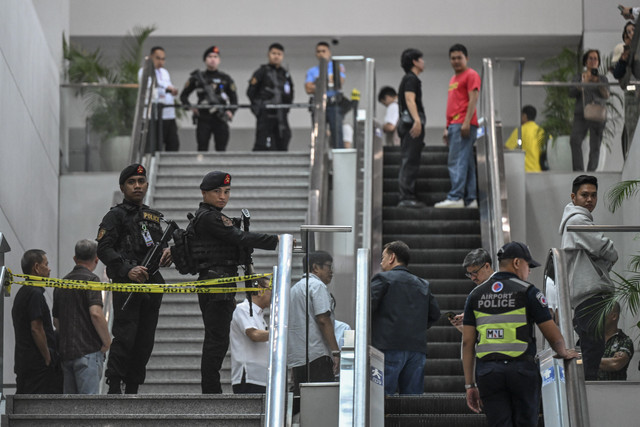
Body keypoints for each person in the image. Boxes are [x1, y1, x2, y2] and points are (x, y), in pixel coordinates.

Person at [462, 242, 578, 426]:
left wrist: (470, 386)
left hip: (488, 373)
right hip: (521, 371)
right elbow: (553, 335)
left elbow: (467, 343)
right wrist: (563, 351)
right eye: (528, 265)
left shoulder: (475, 295)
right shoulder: (529, 291)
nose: (529, 271)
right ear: (517, 262)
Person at [191, 171, 279, 394]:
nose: (223, 196)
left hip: (222, 282)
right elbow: (238, 238)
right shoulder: (209, 218)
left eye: (227, 192)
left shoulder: (214, 216)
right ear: (204, 193)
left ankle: (211, 390)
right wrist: (276, 240)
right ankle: (210, 392)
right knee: (216, 340)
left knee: (219, 339)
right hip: (215, 283)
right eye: (217, 191)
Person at [96, 163, 172, 394]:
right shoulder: (115, 216)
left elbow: (158, 246)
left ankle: (133, 386)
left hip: (152, 284)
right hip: (127, 285)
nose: (137, 186)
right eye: (131, 182)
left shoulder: (153, 217)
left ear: (147, 185)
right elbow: (104, 249)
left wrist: (169, 254)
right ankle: (115, 383)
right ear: (123, 187)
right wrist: (127, 269)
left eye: (141, 182)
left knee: (145, 341)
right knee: (125, 336)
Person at [559, 175, 618, 380]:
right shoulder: (577, 220)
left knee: (590, 343)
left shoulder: (575, 220)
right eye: (584, 195)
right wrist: (610, 254)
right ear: (573, 197)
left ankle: (586, 383)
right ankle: (588, 386)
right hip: (589, 292)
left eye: (593, 195)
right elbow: (606, 248)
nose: (589, 199)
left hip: (584, 292)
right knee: (593, 345)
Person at [370, 241, 440, 395]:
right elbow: (435, 314)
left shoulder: (383, 279)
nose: (381, 262)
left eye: (383, 257)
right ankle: (410, 420)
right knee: (412, 401)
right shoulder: (423, 284)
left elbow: (367, 308)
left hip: (387, 347)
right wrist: (417, 327)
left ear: (392, 257)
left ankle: (387, 420)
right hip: (416, 350)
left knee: (382, 397)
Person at [53, 239, 111, 394]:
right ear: (96, 260)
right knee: (89, 408)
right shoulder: (92, 280)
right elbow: (96, 313)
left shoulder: (61, 283)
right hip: (88, 352)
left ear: (75, 258)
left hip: (66, 354)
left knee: (70, 409)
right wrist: (107, 341)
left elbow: (56, 322)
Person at [288, 251, 340, 400]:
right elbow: (323, 319)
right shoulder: (317, 286)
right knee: (321, 401)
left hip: (298, 358)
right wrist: (335, 352)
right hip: (317, 354)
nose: (331, 271)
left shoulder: (295, 289)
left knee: (304, 401)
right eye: (328, 267)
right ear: (315, 267)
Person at [436, 44, 481, 209]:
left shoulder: (471, 75)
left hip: (463, 123)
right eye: (453, 58)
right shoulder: (453, 79)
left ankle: (455, 197)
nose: (456, 61)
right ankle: (470, 199)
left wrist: (466, 122)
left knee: (456, 161)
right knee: (466, 162)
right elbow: (453, 104)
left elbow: (473, 99)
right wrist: (447, 126)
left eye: (459, 58)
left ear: (466, 58)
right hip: (454, 124)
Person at [12, 249, 63, 394]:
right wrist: (47, 357)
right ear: (36, 267)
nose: (49, 268)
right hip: (37, 365)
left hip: (25, 361)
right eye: (46, 264)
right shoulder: (34, 294)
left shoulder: (23, 293)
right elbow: (36, 328)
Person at [180, 46, 238, 152]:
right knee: (202, 148)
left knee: (221, 148)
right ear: (205, 60)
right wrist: (191, 107)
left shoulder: (225, 78)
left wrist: (231, 111)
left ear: (219, 60)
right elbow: (183, 96)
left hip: (220, 118)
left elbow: (234, 100)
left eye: (215, 57)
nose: (213, 59)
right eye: (210, 56)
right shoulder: (197, 78)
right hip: (203, 118)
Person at [247, 43, 294, 151]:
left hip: (281, 114)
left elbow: (290, 93)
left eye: (279, 54)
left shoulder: (285, 74)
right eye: (273, 53)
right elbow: (251, 92)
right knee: (262, 142)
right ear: (268, 55)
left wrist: (286, 108)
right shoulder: (261, 72)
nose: (276, 56)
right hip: (265, 113)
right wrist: (258, 107)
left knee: (283, 139)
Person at [568, 49, 610, 172]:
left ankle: (591, 172)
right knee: (574, 140)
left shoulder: (602, 78)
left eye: (595, 59)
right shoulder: (579, 77)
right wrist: (583, 83)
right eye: (590, 58)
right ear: (585, 62)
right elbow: (571, 93)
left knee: (595, 145)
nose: (593, 61)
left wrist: (597, 82)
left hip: (597, 115)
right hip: (581, 114)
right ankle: (578, 171)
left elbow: (606, 95)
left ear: (598, 62)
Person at [229, 276, 271, 394]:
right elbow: (254, 334)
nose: (274, 294)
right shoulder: (243, 309)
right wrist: (279, 332)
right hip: (248, 376)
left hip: (261, 376)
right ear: (259, 289)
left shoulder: (259, 315)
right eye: (271, 289)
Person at [396, 48, 427, 209]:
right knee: (410, 160)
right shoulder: (411, 79)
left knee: (410, 159)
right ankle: (406, 196)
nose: (423, 62)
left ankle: (408, 195)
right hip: (410, 124)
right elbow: (409, 99)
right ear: (415, 61)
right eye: (421, 59)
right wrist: (417, 120)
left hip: (406, 123)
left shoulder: (408, 79)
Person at [138, 46, 180, 151]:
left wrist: (172, 90)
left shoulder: (165, 72)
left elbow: (168, 85)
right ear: (151, 57)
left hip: (168, 114)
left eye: (163, 59)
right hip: (153, 116)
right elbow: (149, 85)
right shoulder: (144, 71)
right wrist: (167, 88)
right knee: (154, 145)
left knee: (173, 144)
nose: (160, 61)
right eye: (158, 58)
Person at [305, 41, 346, 148]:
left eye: (324, 51)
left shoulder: (337, 67)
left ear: (329, 52)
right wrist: (328, 82)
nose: (321, 54)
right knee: (318, 134)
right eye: (318, 51)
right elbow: (308, 89)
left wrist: (317, 83)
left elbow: (339, 83)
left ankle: (338, 160)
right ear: (315, 54)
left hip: (334, 104)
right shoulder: (312, 71)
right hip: (318, 105)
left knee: (337, 133)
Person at [449, 248, 495, 333]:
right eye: (469, 274)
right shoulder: (476, 294)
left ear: (487, 266)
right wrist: (464, 326)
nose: (473, 278)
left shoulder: (502, 288)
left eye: (475, 272)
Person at [612, 21, 639, 161]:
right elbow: (617, 73)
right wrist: (624, 58)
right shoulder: (624, 51)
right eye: (628, 32)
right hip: (632, 93)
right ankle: (633, 160)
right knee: (632, 128)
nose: (631, 33)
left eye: (633, 30)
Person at [597, 302, 634, 380]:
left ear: (614, 316)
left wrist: (587, 360)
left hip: (615, 390)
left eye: (602, 313)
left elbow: (616, 364)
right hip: (590, 388)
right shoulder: (591, 339)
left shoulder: (624, 341)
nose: (598, 317)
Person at [504, 105, 544, 172]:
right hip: (538, 171)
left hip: (525, 171)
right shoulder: (541, 131)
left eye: (521, 115)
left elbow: (508, 148)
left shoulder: (520, 130)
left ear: (524, 116)